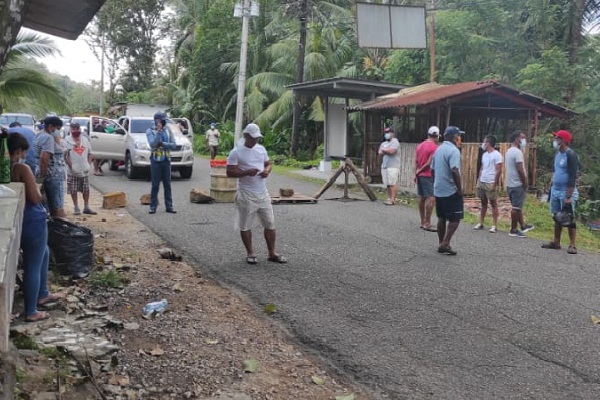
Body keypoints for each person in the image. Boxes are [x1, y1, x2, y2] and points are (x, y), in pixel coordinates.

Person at [8, 133, 58, 322]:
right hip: (32, 219)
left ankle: (43, 292)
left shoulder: (5, 168)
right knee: (33, 265)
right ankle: (31, 310)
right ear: (19, 150)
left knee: (43, 253)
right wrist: (37, 189)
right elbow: (35, 198)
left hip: (16, 218)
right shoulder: (21, 168)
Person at [226, 123, 286, 265]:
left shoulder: (261, 149)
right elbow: (229, 172)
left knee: (270, 223)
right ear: (246, 136)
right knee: (245, 225)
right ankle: (250, 253)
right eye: (253, 138)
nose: (255, 141)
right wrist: (246, 172)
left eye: (257, 138)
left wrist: (267, 171)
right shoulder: (236, 152)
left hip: (262, 192)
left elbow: (268, 163)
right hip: (246, 193)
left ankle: (272, 253)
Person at [542, 130, 579, 254]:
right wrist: (551, 188)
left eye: (557, 138)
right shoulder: (557, 154)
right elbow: (556, 171)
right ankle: (556, 242)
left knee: (569, 217)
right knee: (557, 216)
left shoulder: (571, 154)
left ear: (563, 140)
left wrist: (569, 196)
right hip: (556, 190)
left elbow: (573, 176)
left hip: (565, 190)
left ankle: (572, 245)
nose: (555, 140)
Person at [431, 126, 464, 256]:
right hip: (450, 189)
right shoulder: (453, 151)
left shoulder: (438, 150)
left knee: (442, 217)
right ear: (454, 137)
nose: (459, 138)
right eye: (458, 135)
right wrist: (459, 188)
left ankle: (441, 243)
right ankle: (446, 242)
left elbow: (432, 170)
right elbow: (455, 170)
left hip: (439, 188)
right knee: (455, 218)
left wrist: (436, 182)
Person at [34, 116, 67, 218]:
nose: (58, 132)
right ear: (50, 126)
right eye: (57, 129)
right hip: (53, 175)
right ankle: (60, 229)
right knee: (57, 206)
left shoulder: (39, 135)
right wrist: (42, 177)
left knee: (48, 205)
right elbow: (44, 159)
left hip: (43, 174)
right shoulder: (48, 138)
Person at [146, 112, 177, 214]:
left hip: (166, 160)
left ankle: (169, 206)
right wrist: (158, 132)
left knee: (167, 185)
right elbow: (153, 145)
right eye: (162, 120)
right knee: (155, 185)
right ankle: (153, 206)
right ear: (157, 120)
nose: (164, 122)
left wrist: (163, 144)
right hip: (155, 161)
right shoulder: (150, 131)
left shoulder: (168, 130)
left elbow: (173, 145)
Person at [505, 130, 534, 237]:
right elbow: (520, 169)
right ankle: (513, 229)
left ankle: (523, 225)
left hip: (510, 183)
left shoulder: (509, 151)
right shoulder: (517, 152)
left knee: (517, 206)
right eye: (523, 138)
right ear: (517, 139)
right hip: (517, 184)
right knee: (516, 208)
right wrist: (525, 182)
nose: (524, 140)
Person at [64, 123, 96, 215]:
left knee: (86, 189)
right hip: (72, 171)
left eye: (77, 128)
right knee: (73, 189)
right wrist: (71, 166)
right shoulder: (67, 141)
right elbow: (65, 156)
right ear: (70, 129)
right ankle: (76, 207)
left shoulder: (85, 140)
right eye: (73, 128)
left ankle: (86, 207)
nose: (75, 130)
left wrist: (88, 164)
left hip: (84, 169)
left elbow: (90, 153)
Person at [473, 135, 503, 233]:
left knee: (493, 203)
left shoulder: (497, 155)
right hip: (482, 181)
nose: (483, 144)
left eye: (484, 142)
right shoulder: (484, 154)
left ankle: (494, 225)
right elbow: (482, 167)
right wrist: (479, 178)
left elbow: (499, 170)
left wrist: (494, 183)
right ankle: (481, 222)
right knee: (483, 203)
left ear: (489, 143)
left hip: (490, 181)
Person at [415, 126, 440, 231]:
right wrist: (420, 171)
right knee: (431, 198)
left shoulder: (420, 146)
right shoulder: (435, 147)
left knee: (421, 197)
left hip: (420, 175)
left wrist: (415, 173)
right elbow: (429, 163)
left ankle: (422, 221)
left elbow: (415, 161)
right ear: (437, 136)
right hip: (428, 175)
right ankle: (428, 222)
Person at [378, 127, 400, 205]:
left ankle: (393, 199)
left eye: (388, 132)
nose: (386, 134)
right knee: (387, 183)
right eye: (386, 132)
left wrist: (384, 150)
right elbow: (380, 153)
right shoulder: (383, 143)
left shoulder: (395, 142)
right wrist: (385, 150)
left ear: (392, 133)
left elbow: (392, 151)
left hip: (393, 165)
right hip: (385, 165)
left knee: (392, 183)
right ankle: (389, 197)